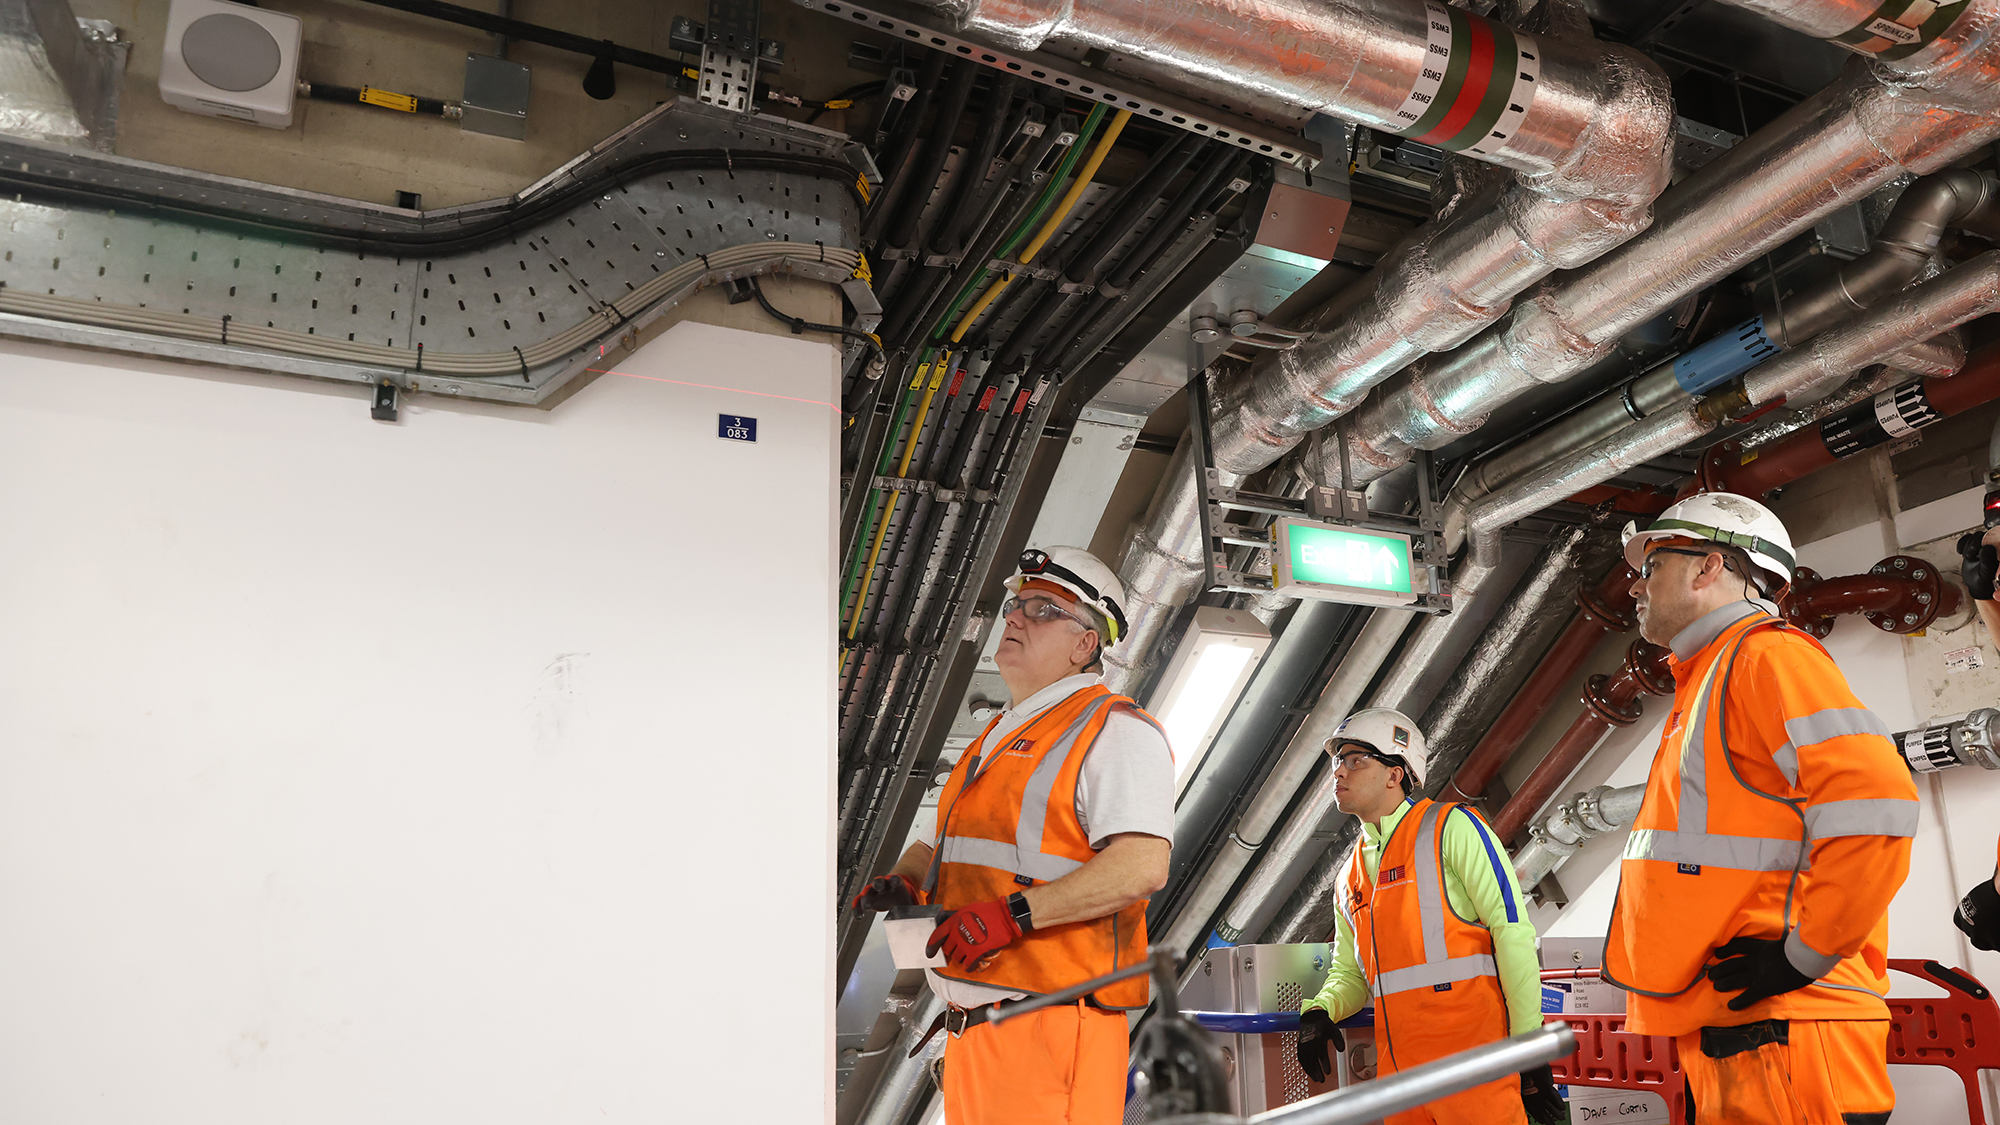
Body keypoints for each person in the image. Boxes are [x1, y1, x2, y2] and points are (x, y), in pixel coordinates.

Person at [1604, 492, 1918, 1125]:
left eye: (1652, 564)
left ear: (1707, 568)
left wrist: (1803, 956)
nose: (1636, 587)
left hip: (1787, 1026)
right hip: (1745, 1024)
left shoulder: (1768, 658)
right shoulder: (1714, 673)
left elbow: (1876, 804)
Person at [848, 546, 1174, 1125]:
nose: (1017, 616)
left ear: (1085, 645)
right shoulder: (995, 737)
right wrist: (905, 880)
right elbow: (934, 845)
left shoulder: (1116, 731)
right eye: (1016, 604)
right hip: (973, 1029)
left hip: (1050, 1026)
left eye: (1045, 609)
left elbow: (1141, 867)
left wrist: (1009, 916)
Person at [1294, 709, 1566, 1125]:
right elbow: (1350, 973)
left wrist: (1528, 1048)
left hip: (1474, 1067)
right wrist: (1319, 1011)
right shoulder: (1347, 876)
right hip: (1401, 1081)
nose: (1339, 772)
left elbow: (1512, 932)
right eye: (1337, 761)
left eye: (1355, 760)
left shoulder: (1452, 827)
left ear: (1395, 774)